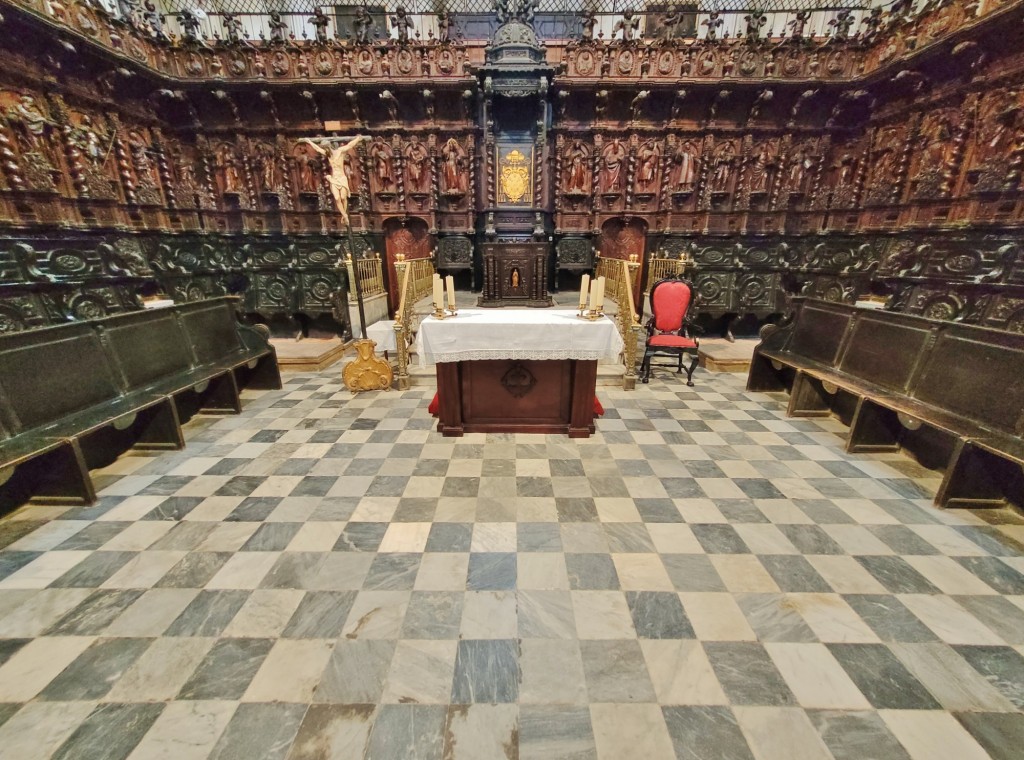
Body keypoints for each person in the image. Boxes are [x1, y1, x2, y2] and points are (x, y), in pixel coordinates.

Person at [299, 135, 367, 224]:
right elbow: (317, 149)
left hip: (342, 178)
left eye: (326, 148)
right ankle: (345, 216)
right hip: (334, 179)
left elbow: (350, 145)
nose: (325, 150)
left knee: (343, 197)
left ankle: (344, 215)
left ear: (329, 147)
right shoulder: (328, 155)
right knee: (337, 198)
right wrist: (309, 141)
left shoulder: (340, 151)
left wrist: (358, 138)